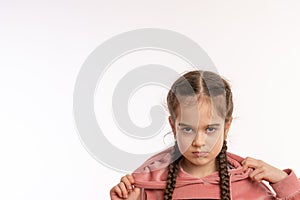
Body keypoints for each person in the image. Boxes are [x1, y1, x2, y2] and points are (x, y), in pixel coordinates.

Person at [110, 70, 300, 200]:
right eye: (187, 129)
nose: (199, 142)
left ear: (227, 127)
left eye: (210, 129)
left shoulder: (248, 184)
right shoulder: (147, 185)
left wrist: (285, 182)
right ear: (173, 126)